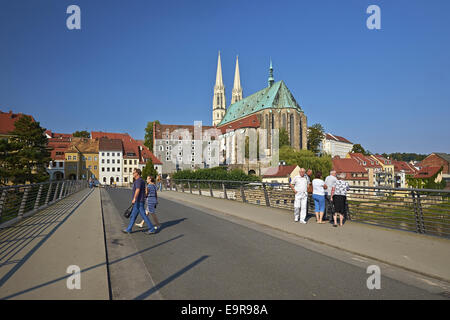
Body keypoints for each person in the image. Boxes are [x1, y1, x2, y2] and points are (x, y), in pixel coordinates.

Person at [122, 168, 157, 235]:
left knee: (143, 215)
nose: (133, 174)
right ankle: (129, 229)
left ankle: (152, 228)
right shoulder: (142, 181)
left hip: (138, 201)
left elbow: (137, 190)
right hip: (139, 201)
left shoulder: (138, 181)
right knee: (133, 216)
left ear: (137, 173)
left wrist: (134, 198)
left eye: (134, 173)